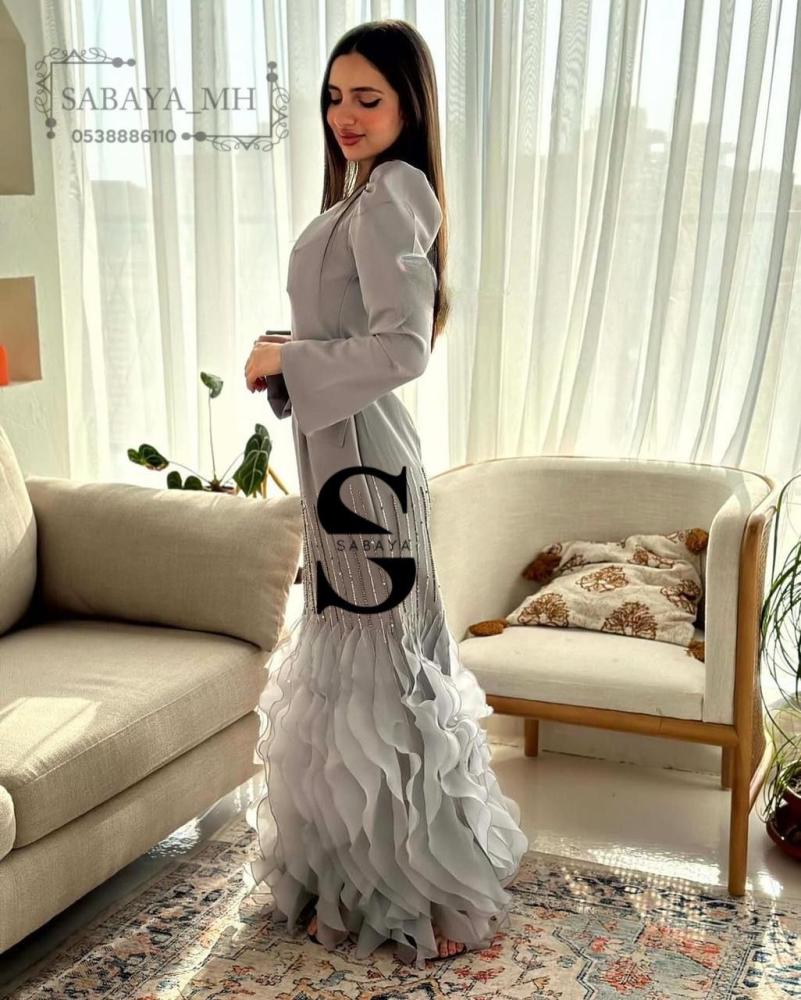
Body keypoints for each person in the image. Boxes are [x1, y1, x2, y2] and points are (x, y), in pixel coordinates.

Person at [242, 18, 528, 970]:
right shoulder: (360, 195)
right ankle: (352, 881)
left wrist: (288, 357)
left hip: (364, 468)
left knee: (385, 670)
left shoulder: (395, 190)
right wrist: (290, 354)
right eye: (334, 97)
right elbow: (351, 331)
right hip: (339, 453)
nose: (345, 115)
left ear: (409, 105)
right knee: (353, 658)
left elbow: (403, 348)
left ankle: (415, 893)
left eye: (367, 98)